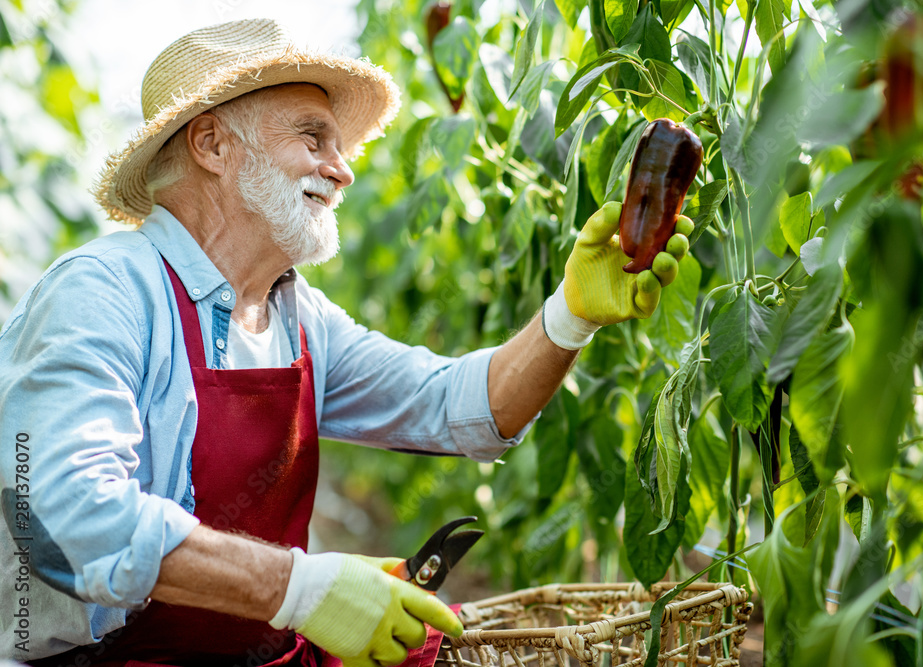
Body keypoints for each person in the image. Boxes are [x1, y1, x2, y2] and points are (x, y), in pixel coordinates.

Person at [0, 18, 693, 666]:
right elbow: (64, 512)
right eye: (313, 138)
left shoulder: (297, 316)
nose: (343, 169)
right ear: (211, 144)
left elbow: (464, 408)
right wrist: (302, 588)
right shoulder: (103, 294)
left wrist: (570, 314)